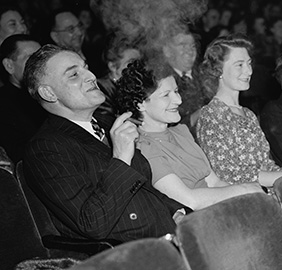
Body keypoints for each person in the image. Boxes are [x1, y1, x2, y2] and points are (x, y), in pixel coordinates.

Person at [22, 45, 184, 242]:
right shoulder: (45, 148)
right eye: (74, 74)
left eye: (86, 67)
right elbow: (93, 223)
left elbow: (144, 188)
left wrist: (177, 212)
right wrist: (122, 158)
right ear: (48, 93)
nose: (90, 75)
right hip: (129, 254)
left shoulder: (107, 124)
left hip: (166, 235)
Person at [114, 59, 263, 211]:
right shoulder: (143, 148)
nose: (178, 100)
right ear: (141, 104)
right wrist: (244, 190)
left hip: (219, 209)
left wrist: (248, 196)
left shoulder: (181, 131)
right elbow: (189, 200)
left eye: (176, 91)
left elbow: (214, 182)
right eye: (166, 95)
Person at [197, 34, 282, 186]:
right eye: (239, 65)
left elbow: (265, 163)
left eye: (249, 63)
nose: (249, 71)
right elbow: (228, 174)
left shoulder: (248, 114)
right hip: (246, 201)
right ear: (218, 70)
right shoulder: (212, 115)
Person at [0, 34, 44, 162]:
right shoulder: (3, 103)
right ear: (9, 65)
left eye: (42, 57)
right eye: (31, 58)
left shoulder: (53, 91)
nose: (40, 64)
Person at [162, 31, 208, 134]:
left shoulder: (204, 75)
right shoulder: (161, 83)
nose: (190, 51)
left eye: (192, 46)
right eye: (182, 46)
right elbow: (167, 128)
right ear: (167, 51)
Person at [96, 34, 141, 119]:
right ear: (112, 66)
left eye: (139, 62)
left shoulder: (138, 84)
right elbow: (107, 120)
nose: (138, 67)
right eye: (131, 63)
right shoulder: (101, 88)